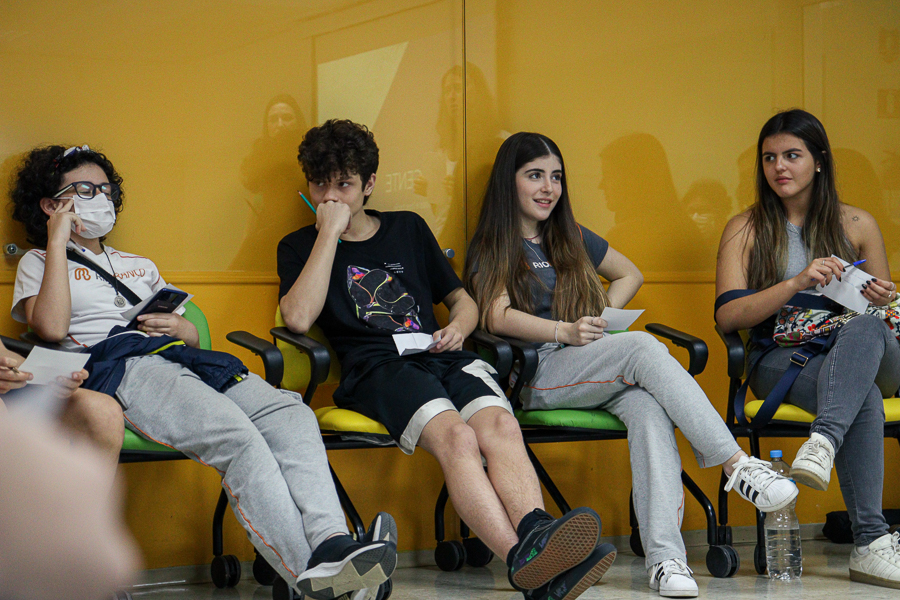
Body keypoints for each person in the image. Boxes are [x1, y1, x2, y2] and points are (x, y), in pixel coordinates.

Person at [9, 144, 396, 600]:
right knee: (237, 437)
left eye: (106, 189)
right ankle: (313, 575)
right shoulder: (38, 262)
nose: (101, 198)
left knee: (291, 414)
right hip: (124, 368)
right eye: (85, 190)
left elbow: (192, 334)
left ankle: (332, 543)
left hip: (186, 361)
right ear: (51, 204)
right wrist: (56, 240)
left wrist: (180, 327)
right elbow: (51, 328)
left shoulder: (139, 265)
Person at [277, 119, 616, 600]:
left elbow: (462, 301)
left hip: (440, 355)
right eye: (320, 186)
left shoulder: (408, 228)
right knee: (457, 438)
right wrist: (329, 234)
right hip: (378, 369)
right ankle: (526, 562)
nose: (331, 197)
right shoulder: (298, 246)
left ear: (369, 185)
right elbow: (297, 317)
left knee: (501, 426)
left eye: (344, 185)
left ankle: (536, 532)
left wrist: (458, 327)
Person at [464, 132, 798, 598]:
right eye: (535, 176)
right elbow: (495, 315)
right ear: (509, 182)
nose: (548, 188)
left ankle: (665, 559)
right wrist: (563, 331)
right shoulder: (493, 243)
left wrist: (598, 318)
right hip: (536, 371)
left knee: (647, 407)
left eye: (556, 177)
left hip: (589, 364)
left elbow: (630, 273)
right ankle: (736, 464)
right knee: (640, 347)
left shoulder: (570, 234)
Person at [715, 109, 900, 589]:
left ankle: (823, 440)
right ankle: (872, 544)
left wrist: (884, 297)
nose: (779, 167)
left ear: (818, 161)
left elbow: (883, 315)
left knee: (866, 327)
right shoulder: (745, 228)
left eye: (792, 155)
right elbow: (728, 317)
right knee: (862, 396)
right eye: (769, 158)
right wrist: (795, 282)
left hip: (868, 351)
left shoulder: (858, 223)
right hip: (783, 359)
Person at [0, 338, 123, 477]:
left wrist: (44, 374)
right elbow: (53, 333)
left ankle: (85, 492)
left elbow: (2, 351)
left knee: (104, 412)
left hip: (11, 391)